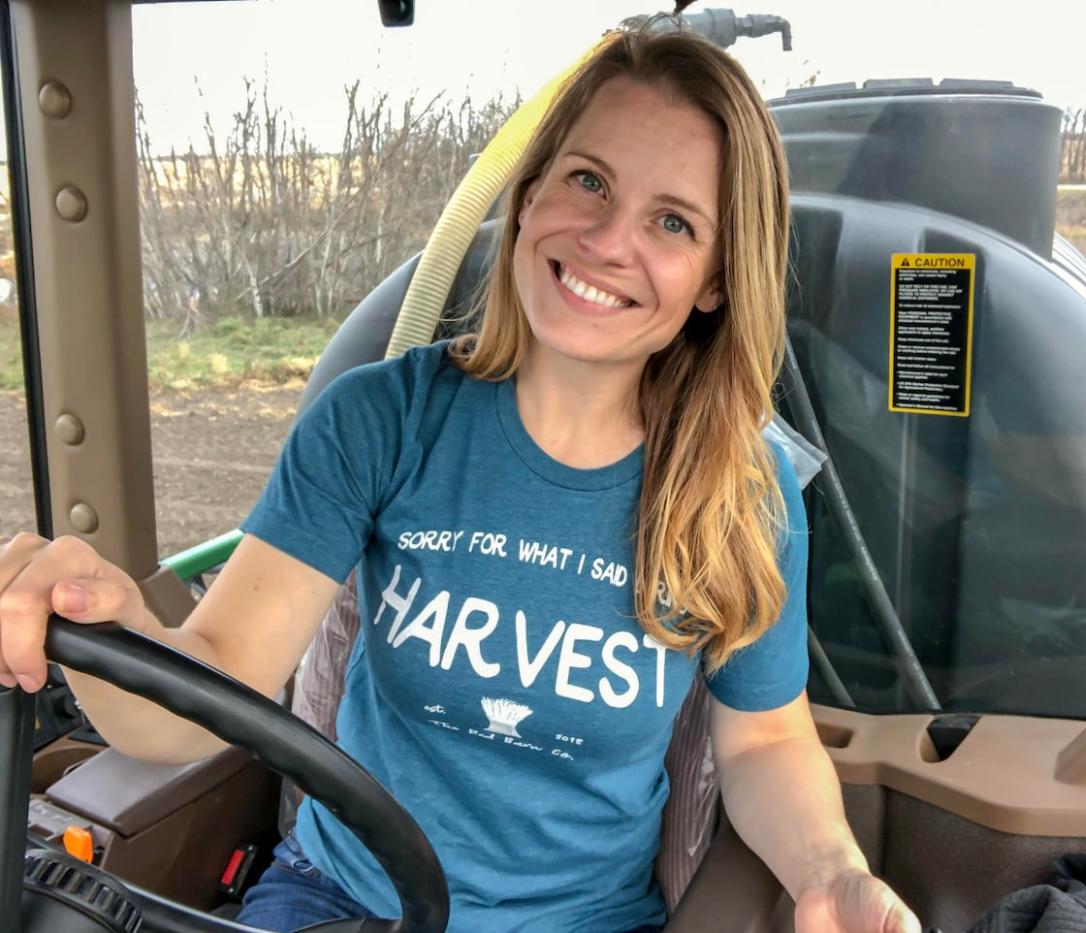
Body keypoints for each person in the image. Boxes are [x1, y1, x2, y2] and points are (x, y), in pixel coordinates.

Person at [0, 24, 920, 933]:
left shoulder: (740, 493)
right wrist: (107, 621)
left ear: (716, 280)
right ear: (527, 197)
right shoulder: (380, 419)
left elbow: (762, 738)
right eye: (587, 180)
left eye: (671, 221)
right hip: (342, 895)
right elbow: (214, 686)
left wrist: (829, 870)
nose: (605, 240)